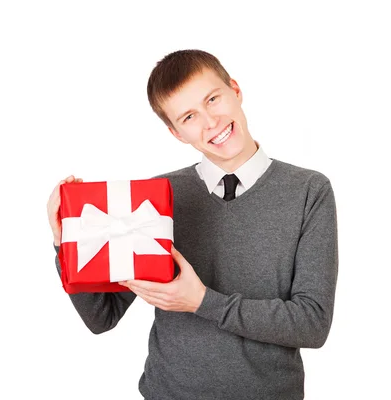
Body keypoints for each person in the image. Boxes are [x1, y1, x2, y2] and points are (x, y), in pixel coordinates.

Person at [46, 49, 338, 400]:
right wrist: (68, 242)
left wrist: (202, 301)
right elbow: (102, 318)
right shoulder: (157, 198)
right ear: (176, 133)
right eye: (189, 116)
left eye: (213, 99)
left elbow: (312, 324)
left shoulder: (309, 191)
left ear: (236, 90)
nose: (210, 122)